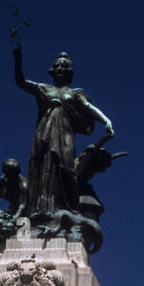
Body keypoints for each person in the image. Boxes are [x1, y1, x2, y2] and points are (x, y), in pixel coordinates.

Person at [13, 45, 114, 226]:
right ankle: (40, 211)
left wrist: (106, 120)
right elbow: (21, 81)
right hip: (44, 133)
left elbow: (89, 109)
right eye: (57, 66)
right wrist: (18, 58)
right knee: (43, 166)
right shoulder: (43, 89)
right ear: (52, 70)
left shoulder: (74, 93)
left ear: (69, 72)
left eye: (63, 66)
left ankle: (66, 209)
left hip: (65, 134)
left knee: (66, 168)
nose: (59, 69)